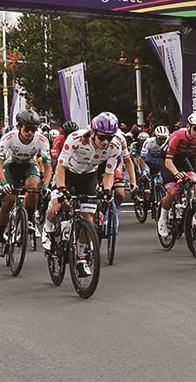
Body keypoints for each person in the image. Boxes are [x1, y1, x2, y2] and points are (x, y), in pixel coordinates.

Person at [43, 113, 122, 277]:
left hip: (88, 176)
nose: (105, 142)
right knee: (57, 204)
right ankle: (48, 228)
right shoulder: (75, 138)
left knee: (88, 219)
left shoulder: (115, 146)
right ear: (92, 132)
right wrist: (62, 189)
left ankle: (81, 258)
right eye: (102, 137)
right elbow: (60, 166)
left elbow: (109, 173)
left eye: (109, 138)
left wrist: (107, 190)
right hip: (68, 173)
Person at [0, 109, 52, 257]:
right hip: (10, 166)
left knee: (33, 187)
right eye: (27, 129)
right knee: (8, 201)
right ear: (19, 127)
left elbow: (48, 166)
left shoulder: (42, 140)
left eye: (33, 129)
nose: (30, 132)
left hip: (29, 166)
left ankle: (29, 219)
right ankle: (0, 238)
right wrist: (3, 182)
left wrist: (46, 184)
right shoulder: (8, 138)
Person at [157, 114, 196, 237]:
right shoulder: (177, 136)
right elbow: (168, 162)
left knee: (194, 184)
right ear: (188, 126)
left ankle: (190, 212)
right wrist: (177, 174)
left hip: (184, 159)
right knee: (172, 192)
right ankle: (162, 220)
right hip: (168, 160)